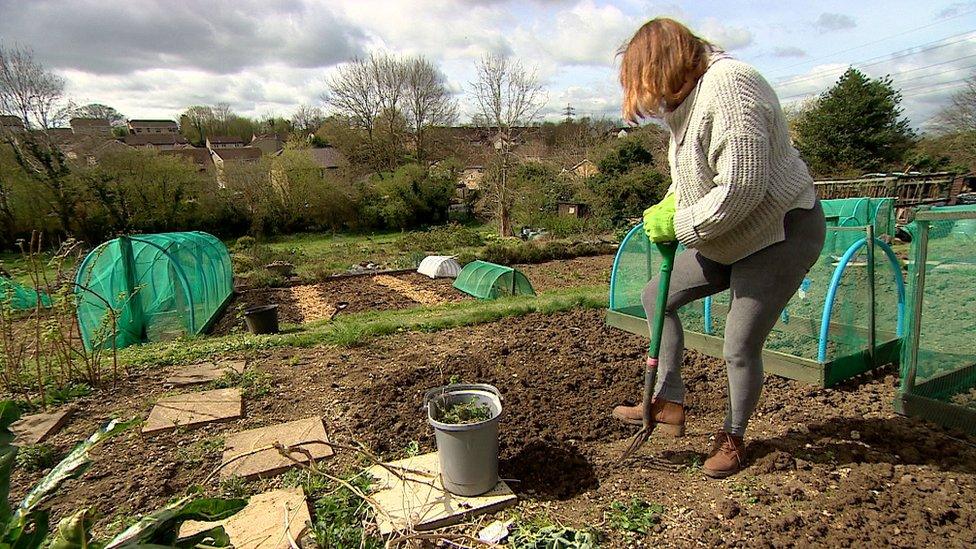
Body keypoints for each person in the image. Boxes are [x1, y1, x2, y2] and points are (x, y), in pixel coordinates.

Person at [611, 18, 826, 478]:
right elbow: (693, 177)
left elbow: (743, 187)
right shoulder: (686, 105)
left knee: (738, 342)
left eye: (646, 83)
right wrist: (669, 204)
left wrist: (682, 223)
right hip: (728, 236)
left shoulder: (730, 87)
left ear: (668, 66)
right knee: (657, 296)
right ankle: (668, 402)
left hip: (778, 233)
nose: (651, 99)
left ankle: (733, 435)